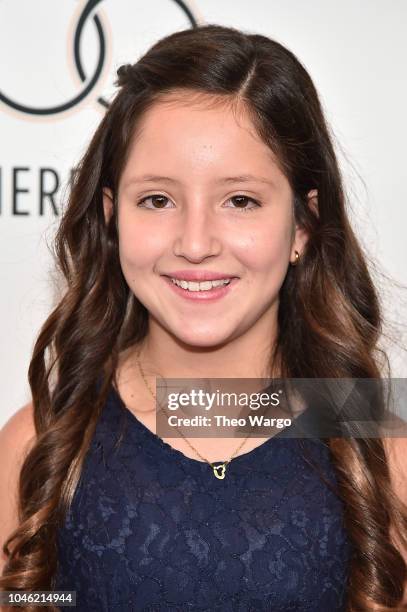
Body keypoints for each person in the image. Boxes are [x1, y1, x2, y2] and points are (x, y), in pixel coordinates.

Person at [1, 23, 406, 611]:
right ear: (112, 216)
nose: (195, 243)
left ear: (302, 225)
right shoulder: (42, 444)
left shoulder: (377, 449)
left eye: (240, 200)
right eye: (157, 200)